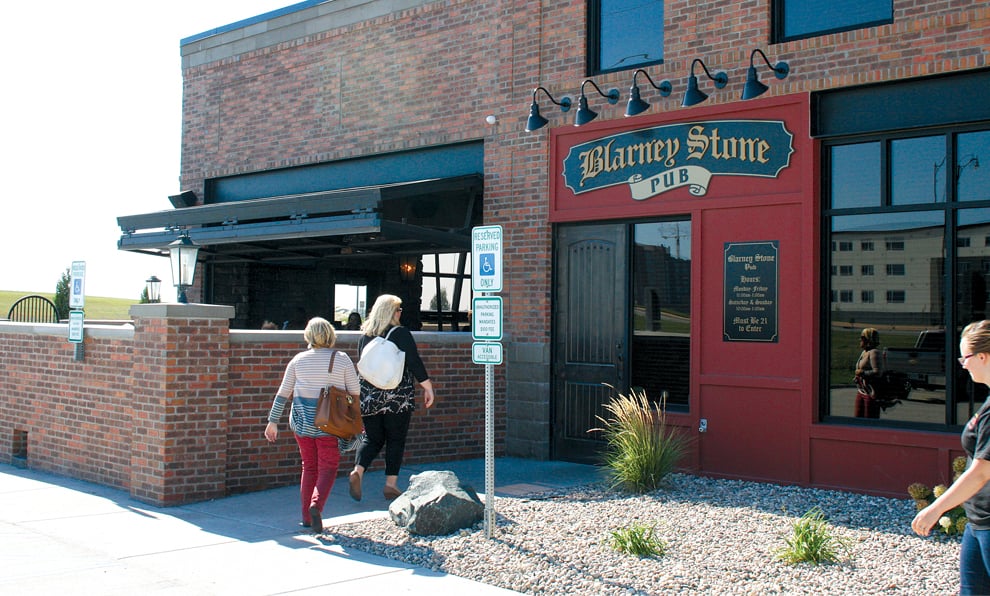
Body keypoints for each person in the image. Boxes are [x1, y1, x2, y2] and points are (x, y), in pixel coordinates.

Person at [912, 320, 990, 595]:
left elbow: (981, 472)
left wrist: (936, 509)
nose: (962, 364)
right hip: (977, 521)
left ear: (983, 356)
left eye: (965, 357)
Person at [264, 317, 360, 534]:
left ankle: (306, 518)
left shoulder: (298, 360)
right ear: (330, 335)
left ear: (308, 335)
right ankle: (316, 505)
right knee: (328, 467)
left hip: (302, 424)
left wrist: (272, 421)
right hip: (330, 425)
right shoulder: (342, 359)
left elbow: (283, 394)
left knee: (309, 467)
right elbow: (355, 392)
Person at [349, 294, 435, 501]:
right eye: (399, 310)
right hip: (398, 397)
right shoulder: (401, 333)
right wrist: (428, 387)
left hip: (370, 396)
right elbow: (414, 361)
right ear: (391, 312)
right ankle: (390, 484)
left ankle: (358, 471)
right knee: (396, 439)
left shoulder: (365, 337)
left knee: (372, 438)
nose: (400, 313)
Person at [854, 327, 883, 418]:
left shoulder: (874, 353)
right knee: (857, 421)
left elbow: (877, 372)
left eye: (862, 338)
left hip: (870, 394)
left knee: (869, 422)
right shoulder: (864, 352)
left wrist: (863, 373)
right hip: (861, 392)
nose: (860, 340)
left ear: (868, 339)